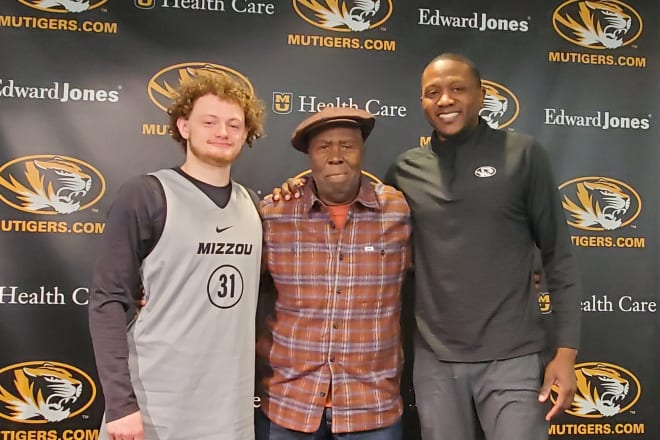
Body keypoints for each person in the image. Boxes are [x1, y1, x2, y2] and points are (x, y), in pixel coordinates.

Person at [275, 53, 582, 440]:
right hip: (435, 360)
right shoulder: (404, 170)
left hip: (513, 356)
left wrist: (567, 352)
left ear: (482, 95)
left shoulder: (523, 155)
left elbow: (559, 257)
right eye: (432, 92)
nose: (445, 100)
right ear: (422, 102)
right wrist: (296, 189)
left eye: (457, 89)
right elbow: (351, 207)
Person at [88, 71, 265, 440]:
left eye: (235, 124)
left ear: (247, 133)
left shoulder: (256, 206)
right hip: (156, 407)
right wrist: (120, 405)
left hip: (229, 411)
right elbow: (107, 300)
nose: (224, 131)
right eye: (210, 121)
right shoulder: (146, 195)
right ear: (183, 126)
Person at [256, 107, 412, 439]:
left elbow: (450, 258)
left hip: (372, 406)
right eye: (324, 147)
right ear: (309, 156)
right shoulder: (275, 213)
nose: (336, 156)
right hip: (291, 404)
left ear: (362, 152)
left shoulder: (398, 211)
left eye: (347, 145)